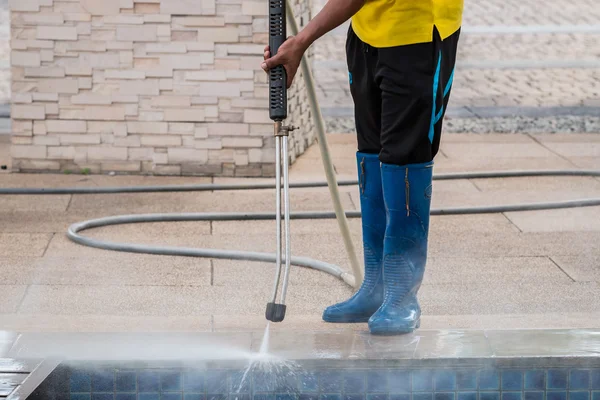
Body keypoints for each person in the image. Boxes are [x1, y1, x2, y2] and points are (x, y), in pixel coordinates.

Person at [262, 0, 463, 335]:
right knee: (372, 153)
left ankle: (402, 294)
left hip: (417, 35)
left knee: (405, 157)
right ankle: (377, 287)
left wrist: (301, 40)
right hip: (366, 35)